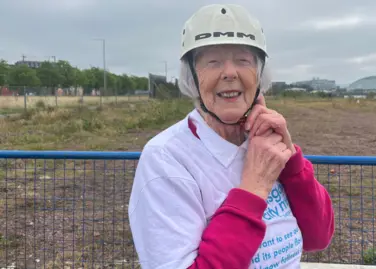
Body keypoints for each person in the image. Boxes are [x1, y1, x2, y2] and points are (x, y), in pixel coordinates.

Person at [128, 4, 335, 269]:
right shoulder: (167, 159)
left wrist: (291, 162)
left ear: (259, 75)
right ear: (192, 77)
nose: (229, 72)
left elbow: (318, 236)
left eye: (243, 60)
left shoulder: (263, 145)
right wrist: (254, 188)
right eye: (212, 61)